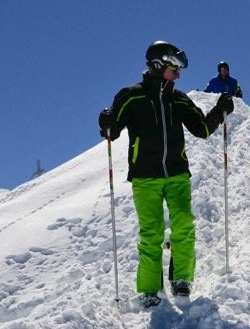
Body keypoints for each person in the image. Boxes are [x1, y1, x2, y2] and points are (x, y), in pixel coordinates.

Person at [98, 41, 234, 309]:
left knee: (184, 225)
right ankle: (150, 289)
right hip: (145, 177)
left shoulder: (178, 99)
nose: (178, 74)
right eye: (174, 68)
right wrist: (105, 123)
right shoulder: (131, 96)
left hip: (177, 174)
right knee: (152, 233)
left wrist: (220, 110)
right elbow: (112, 132)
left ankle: (181, 278)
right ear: (159, 65)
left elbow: (202, 129)